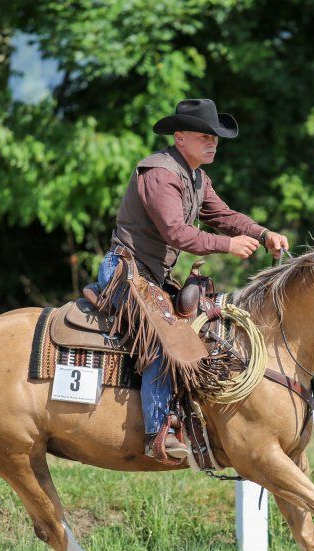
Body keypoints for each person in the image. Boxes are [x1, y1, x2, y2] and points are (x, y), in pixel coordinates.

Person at [99, 98, 289, 460]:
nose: (212, 142)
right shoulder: (160, 173)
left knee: (203, 331)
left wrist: (263, 234)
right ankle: (157, 433)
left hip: (152, 275)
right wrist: (227, 245)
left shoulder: (196, 177)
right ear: (180, 137)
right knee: (165, 341)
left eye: (215, 137)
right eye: (204, 136)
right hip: (125, 271)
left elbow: (222, 214)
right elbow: (176, 232)